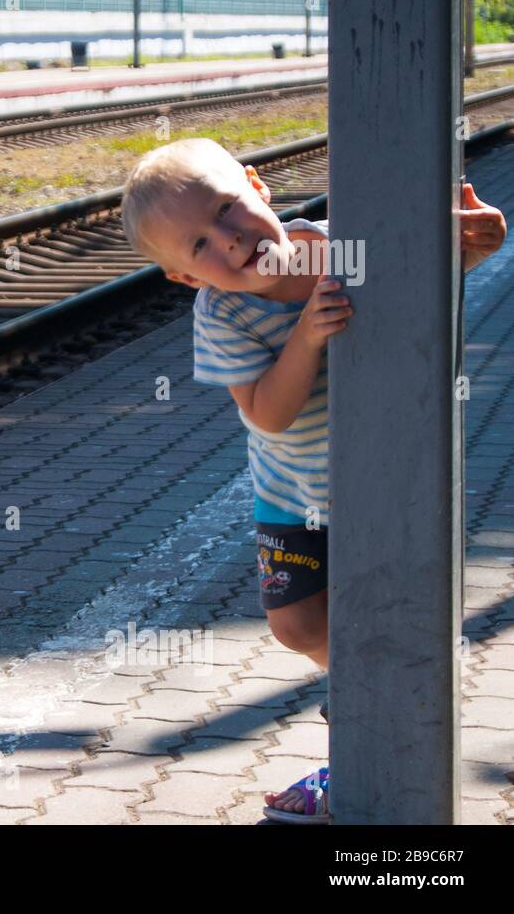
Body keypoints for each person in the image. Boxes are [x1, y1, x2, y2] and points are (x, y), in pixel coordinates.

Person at [119, 137, 506, 821]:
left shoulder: (349, 247)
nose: (231, 243)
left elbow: (430, 279)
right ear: (185, 278)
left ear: (258, 186)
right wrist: (305, 336)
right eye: (201, 247)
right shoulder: (222, 314)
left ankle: (368, 746)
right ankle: (367, 701)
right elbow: (267, 414)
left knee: (398, 618)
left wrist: (477, 242)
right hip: (290, 495)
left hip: (387, 488)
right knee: (296, 626)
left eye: (228, 210)